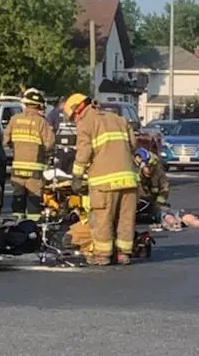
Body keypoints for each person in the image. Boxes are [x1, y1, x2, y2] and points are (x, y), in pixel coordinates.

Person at [66, 92, 139, 266]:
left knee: (102, 218)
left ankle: (102, 255)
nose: (74, 121)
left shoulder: (86, 123)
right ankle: (123, 254)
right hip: (129, 179)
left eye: (72, 117)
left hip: (104, 182)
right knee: (125, 218)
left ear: (78, 110)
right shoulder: (118, 118)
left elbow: (84, 153)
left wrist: (77, 176)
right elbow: (133, 144)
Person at [3, 87, 56, 220]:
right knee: (34, 199)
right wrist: (45, 155)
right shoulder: (42, 122)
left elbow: (5, 140)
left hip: (18, 169)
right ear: (39, 105)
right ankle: (33, 228)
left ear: (25, 104)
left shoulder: (15, 119)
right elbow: (50, 144)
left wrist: (16, 148)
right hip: (35, 170)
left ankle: (17, 225)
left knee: (18, 199)